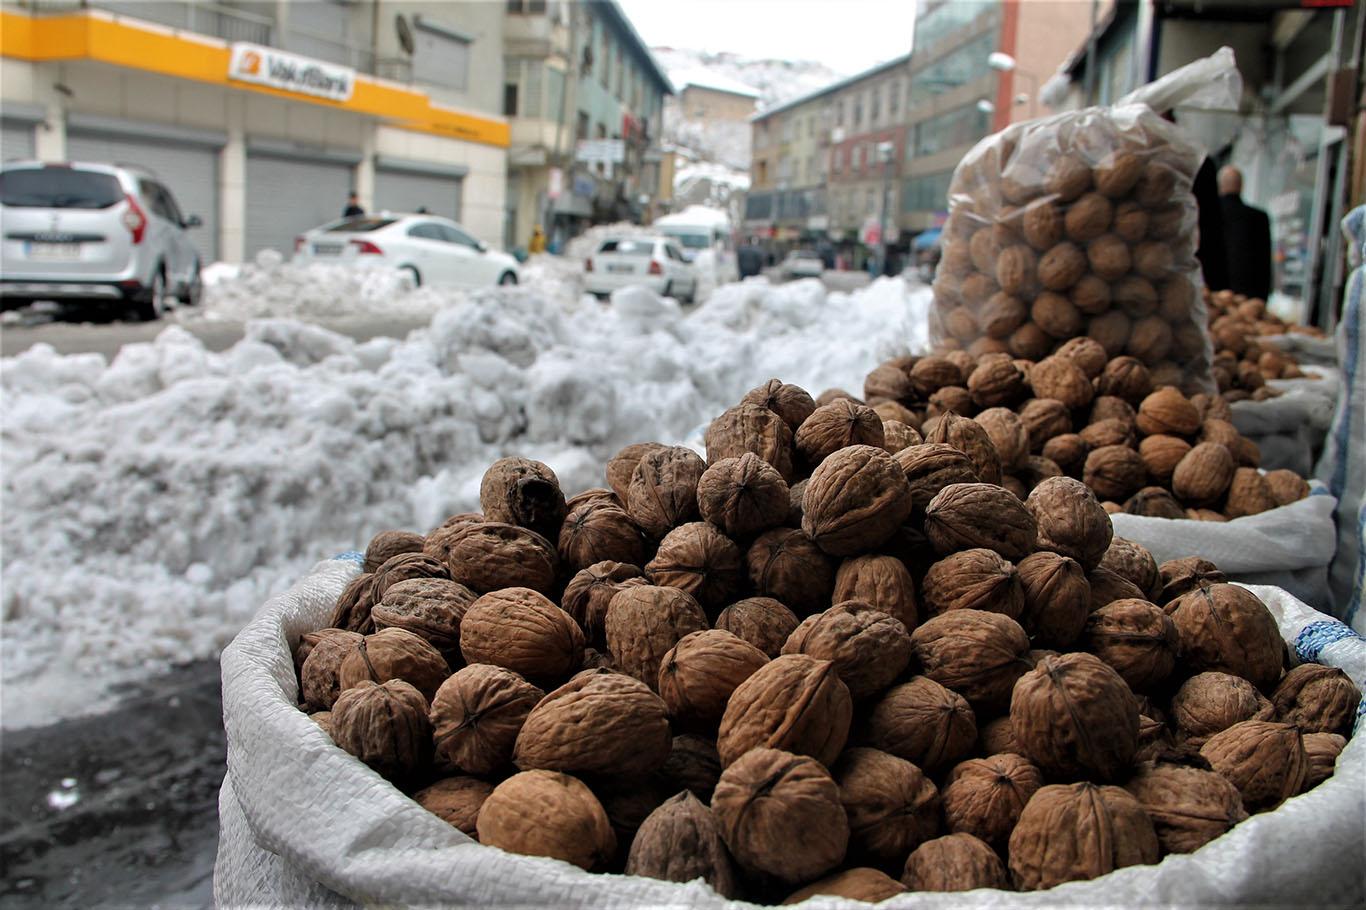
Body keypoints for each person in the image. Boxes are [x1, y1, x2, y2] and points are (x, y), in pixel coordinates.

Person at [1218, 165, 1273, 301]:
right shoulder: (1259, 218)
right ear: (1241, 186)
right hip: (1247, 299)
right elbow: (1264, 266)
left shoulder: (1205, 215)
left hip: (1213, 298)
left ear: (1219, 186)